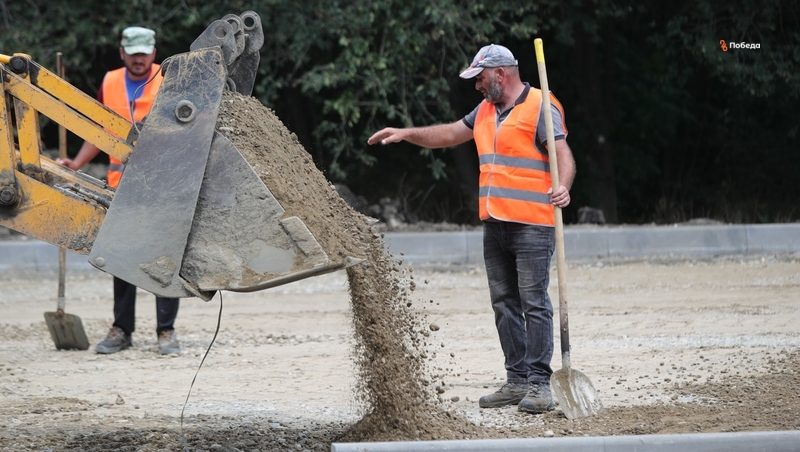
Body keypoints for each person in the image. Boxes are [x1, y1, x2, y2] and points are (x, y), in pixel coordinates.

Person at [368, 44, 576, 413]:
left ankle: (540, 385)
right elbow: (448, 134)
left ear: (500, 74)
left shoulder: (541, 106)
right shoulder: (485, 110)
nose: (477, 86)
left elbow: (562, 154)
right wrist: (406, 133)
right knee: (504, 304)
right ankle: (516, 381)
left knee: (534, 304)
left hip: (532, 224)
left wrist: (564, 186)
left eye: (480, 78)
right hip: (494, 223)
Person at [57, 26, 181, 356]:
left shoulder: (170, 79)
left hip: (162, 187)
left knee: (162, 260)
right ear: (122, 52)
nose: (139, 59)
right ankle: (121, 330)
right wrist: (77, 164)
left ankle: (166, 332)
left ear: (153, 53)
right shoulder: (110, 82)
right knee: (121, 259)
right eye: (133, 53)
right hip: (121, 190)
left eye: (144, 53)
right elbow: (99, 129)